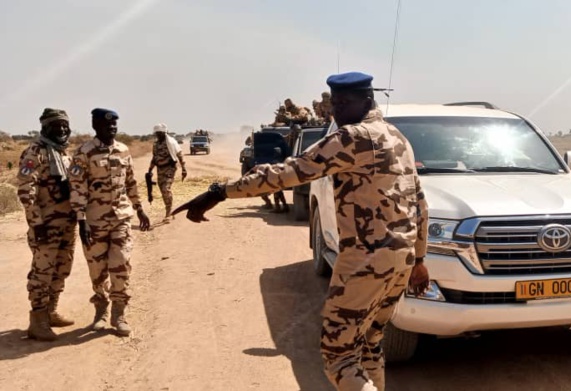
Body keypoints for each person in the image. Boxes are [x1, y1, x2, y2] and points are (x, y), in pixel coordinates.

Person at [173, 71, 430, 391]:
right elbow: (419, 202)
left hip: (366, 260)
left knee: (339, 355)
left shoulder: (352, 137)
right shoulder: (397, 137)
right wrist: (419, 259)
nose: (336, 111)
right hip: (399, 260)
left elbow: (290, 172)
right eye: (333, 103)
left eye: (344, 103)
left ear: (367, 100)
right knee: (368, 344)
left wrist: (219, 191)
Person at [69, 108, 151, 337]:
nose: (112, 127)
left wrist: (140, 208)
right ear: (96, 126)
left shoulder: (123, 150)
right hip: (94, 221)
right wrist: (80, 218)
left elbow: (131, 181)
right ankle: (101, 307)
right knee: (97, 271)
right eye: (107, 125)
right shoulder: (84, 152)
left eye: (115, 124)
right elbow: (77, 187)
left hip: (121, 218)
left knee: (121, 264)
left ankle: (119, 313)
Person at [17, 108, 77, 341]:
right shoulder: (35, 152)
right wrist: (36, 223)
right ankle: (37, 321)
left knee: (62, 269)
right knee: (42, 272)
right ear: (44, 127)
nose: (62, 129)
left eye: (65, 125)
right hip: (45, 226)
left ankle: (51, 311)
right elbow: (26, 190)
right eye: (56, 126)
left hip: (67, 224)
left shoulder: (64, 153)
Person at [148, 123, 187, 222]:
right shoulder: (156, 143)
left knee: (166, 189)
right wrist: (150, 169)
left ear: (164, 132)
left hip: (170, 168)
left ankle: (168, 213)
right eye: (156, 133)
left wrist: (184, 168)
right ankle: (168, 209)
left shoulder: (171, 142)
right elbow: (154, 157)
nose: (157, 135)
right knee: (162, 190)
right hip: (160, 169)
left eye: (159, 133)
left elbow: (180, 154)